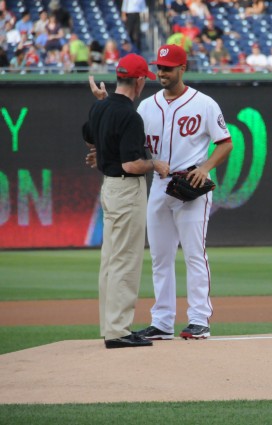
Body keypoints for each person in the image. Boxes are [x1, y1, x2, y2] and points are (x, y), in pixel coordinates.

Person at [91, 45, 234, 341]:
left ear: (183, 68)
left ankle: (199, 319)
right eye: (159, 67)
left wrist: (205, 168)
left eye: (168, 67)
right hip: (158, 185)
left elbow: (225, 143)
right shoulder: (146, 106)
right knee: (159, 257)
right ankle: (163, 321)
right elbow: (127, 142)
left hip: (190, 187)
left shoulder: (204, 104)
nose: (162, 72)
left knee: (195, 254)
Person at [82, 53, 169, 349]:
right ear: (140, 80)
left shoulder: (100, 107)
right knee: (125, 259)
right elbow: (133, 165)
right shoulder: (131, 116)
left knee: (110, 259)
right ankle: (118, 330)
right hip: (126, 189)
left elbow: (89, 137)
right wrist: (154, 163)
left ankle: (110, 326)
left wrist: (101, 102)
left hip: (109, 188)